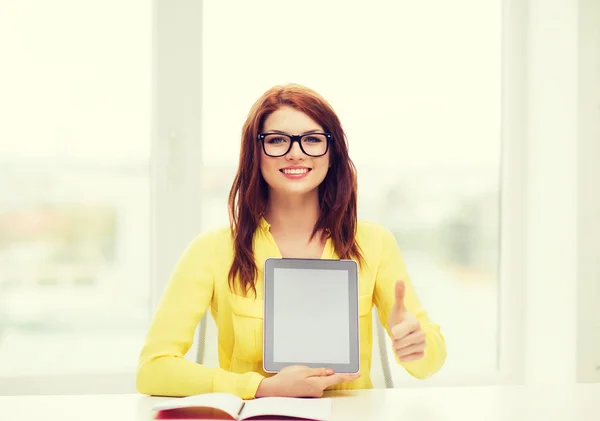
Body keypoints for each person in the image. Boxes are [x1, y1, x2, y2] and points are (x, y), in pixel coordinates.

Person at [136, 84, 446, 399]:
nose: (295, 152)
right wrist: (261, 388)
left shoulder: (374, 243)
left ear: (332, 152)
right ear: (254, 153)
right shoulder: (212, 250)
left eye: (312, 139)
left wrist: (414, 344)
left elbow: (428, 364)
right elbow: (153, 370)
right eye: (277, 140)